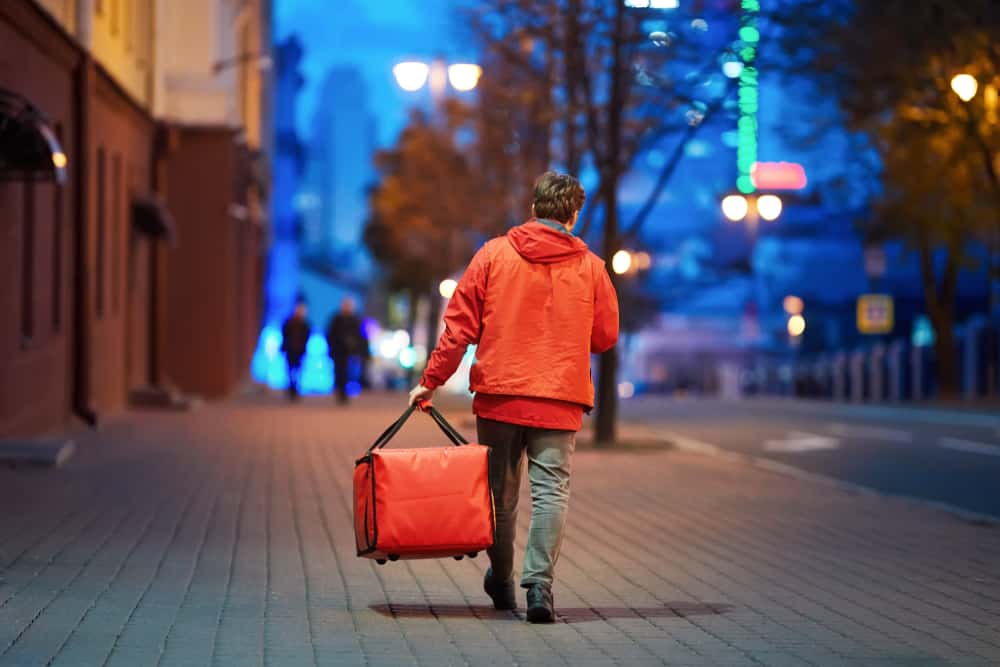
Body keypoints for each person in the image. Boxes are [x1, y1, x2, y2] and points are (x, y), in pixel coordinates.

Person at [408, 171, 619, 623]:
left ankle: (502, 582)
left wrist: (431, 380)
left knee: (500, 496)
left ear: (534, 208)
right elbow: (604, 336)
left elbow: (459, 328)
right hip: (559, 397)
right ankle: (539, 587)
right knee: (551, 492)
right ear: (573, 215)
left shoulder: (493, 255)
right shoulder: (592, 268)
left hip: (500, 395)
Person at [326, 297, 370, 404]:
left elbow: (361, 337)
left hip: (349, 352)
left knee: (348, 372)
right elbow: (330, 335)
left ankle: (344, 393)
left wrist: (360, 351)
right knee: (339, 372)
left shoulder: (355, 320)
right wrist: (332, 348)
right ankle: (340, 392)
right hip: (338, 352)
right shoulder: (337, 319)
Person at [281, 299, 311, 401]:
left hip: (300, 351)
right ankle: (291, 388)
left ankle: (296, 388)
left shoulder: (305, 324)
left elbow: (307, 336)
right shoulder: (289, 323)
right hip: (290, 350)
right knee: (290, 370)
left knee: (298, 370)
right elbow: (284, 335)